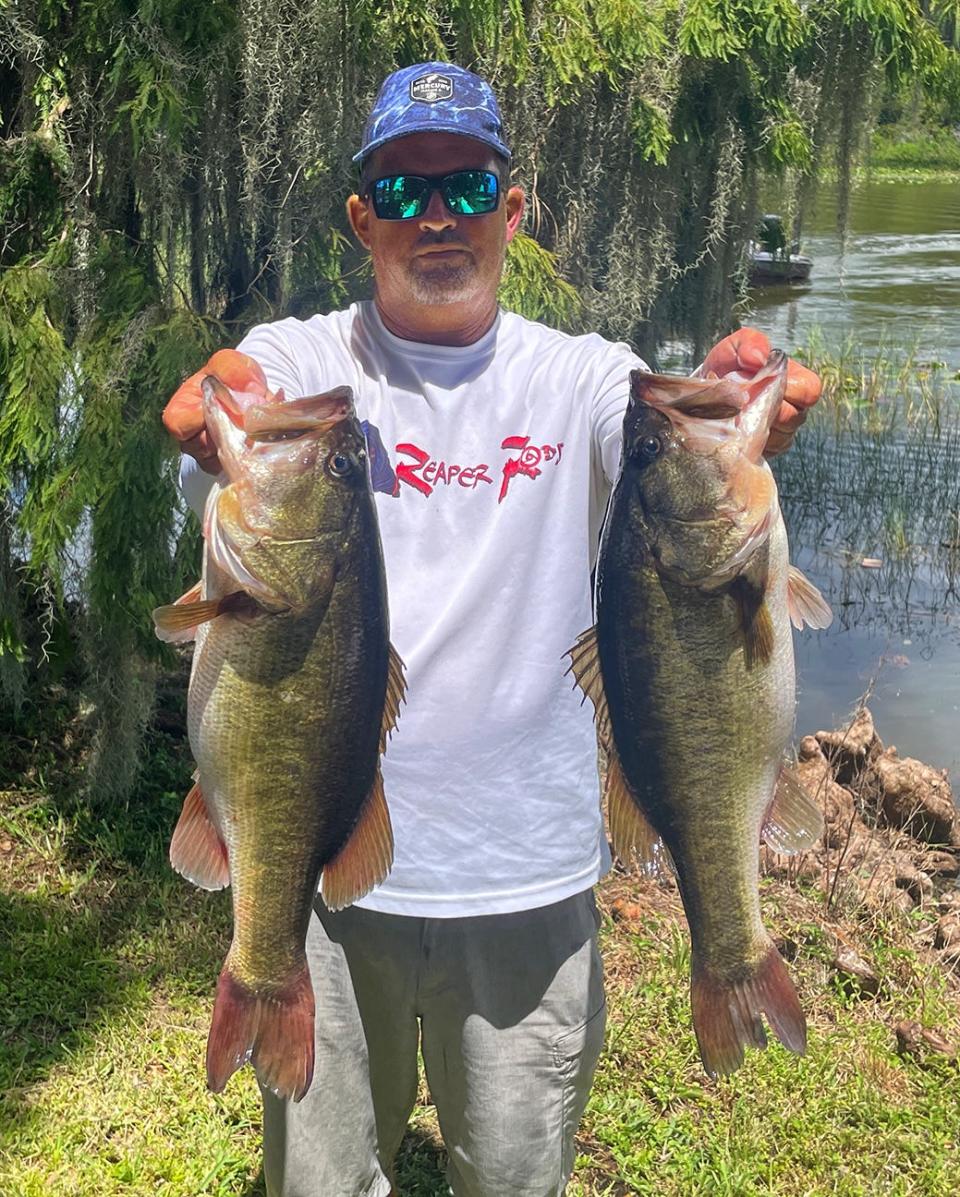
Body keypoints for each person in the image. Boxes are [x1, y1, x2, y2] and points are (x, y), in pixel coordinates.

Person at [163, 62, 821, 1197]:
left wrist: (718, 396)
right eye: (404, 191)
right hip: (323, 874)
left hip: (527, 880)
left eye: (466, 186)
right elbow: (241, 392)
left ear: (512, 212)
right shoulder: (314, 367)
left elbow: (656, 439)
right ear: (362, 219)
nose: (437, 217)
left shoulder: (579, 379)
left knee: (514, 1177)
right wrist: (217, 402)